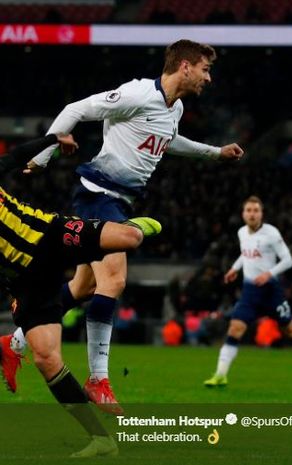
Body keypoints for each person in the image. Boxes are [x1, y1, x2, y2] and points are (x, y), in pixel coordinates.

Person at [2, 39, 245, 412]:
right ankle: (98, 379)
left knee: (83, 287)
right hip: (96, 194)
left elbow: (168, 140)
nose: (208, 78)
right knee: (113, 280)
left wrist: (214, 153)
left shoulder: (173, 107)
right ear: (185, 67)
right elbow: (76, 109)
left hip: (118, 201)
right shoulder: (137, 93)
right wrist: (43, 156)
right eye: (205, 69)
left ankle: (12, 343)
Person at [0, 133, 161, 457]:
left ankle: (128, 226)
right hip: (27, 281)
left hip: (49, 234)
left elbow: (16, 157)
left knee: (129, 238)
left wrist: (53, 139)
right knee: (47, 359)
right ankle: (101, 439)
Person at [203, 196, 292, 387]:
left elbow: (288, 260)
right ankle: (221, 375)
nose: (252, 214)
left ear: (261, 214)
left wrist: (268, 274)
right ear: (243, 214)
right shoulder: (241, 233)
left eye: (256, 210)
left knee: (291, 332)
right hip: (250, 293)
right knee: (235, 328)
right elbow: (245, 253)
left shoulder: (271, 233)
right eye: (249, 210)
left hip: (271, 292)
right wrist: (234, 268)